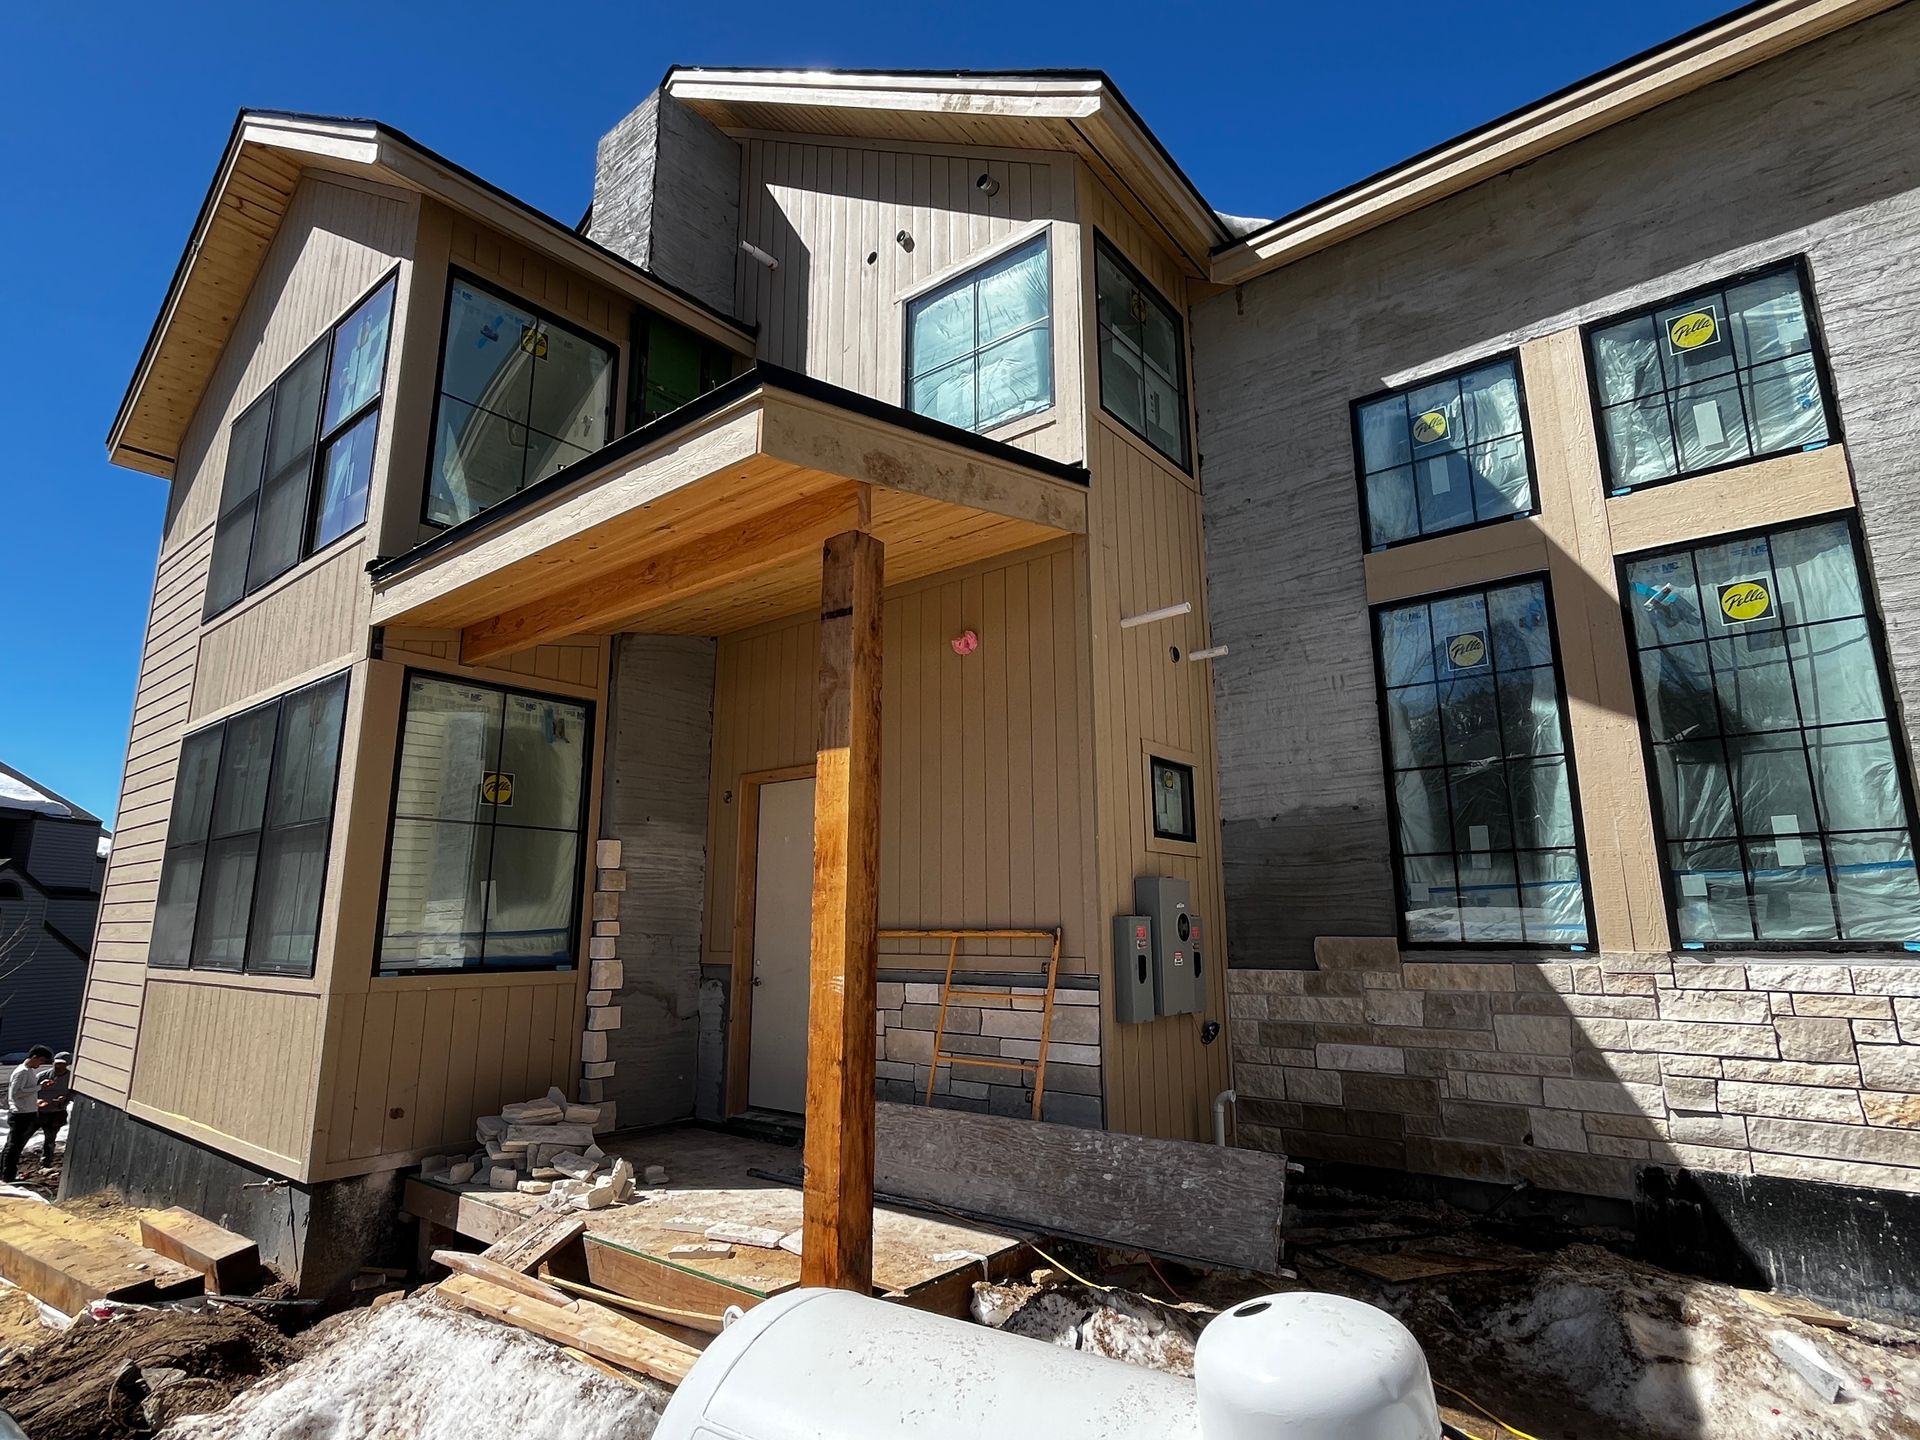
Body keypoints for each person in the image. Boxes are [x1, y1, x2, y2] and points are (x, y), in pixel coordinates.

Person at [4, 1047, 52, 1183]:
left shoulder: (30, 1071)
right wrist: (39, 1087)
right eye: (41, 1060)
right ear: (34, 1057)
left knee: (14, 1145)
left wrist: (35, 1100)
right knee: (14, 1146)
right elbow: (16, 1093)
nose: (41, 1064)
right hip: (20, 1114)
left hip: (27, 1111)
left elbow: (25, 1092)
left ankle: (6, 1173)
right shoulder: (22, 1072)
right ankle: (8, 1176)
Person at [36, 1052, 71, 1168]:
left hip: (56, 1112)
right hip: (39, 1111)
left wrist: (64, 1099)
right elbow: (30, 1092)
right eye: (57, 1064)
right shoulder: (42, 1076)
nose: (58, 1067)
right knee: (25, 1135)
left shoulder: (70, 1078)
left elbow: (73, 1094)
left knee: (50, 1138)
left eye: (62, 1064)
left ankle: (46, 1162)